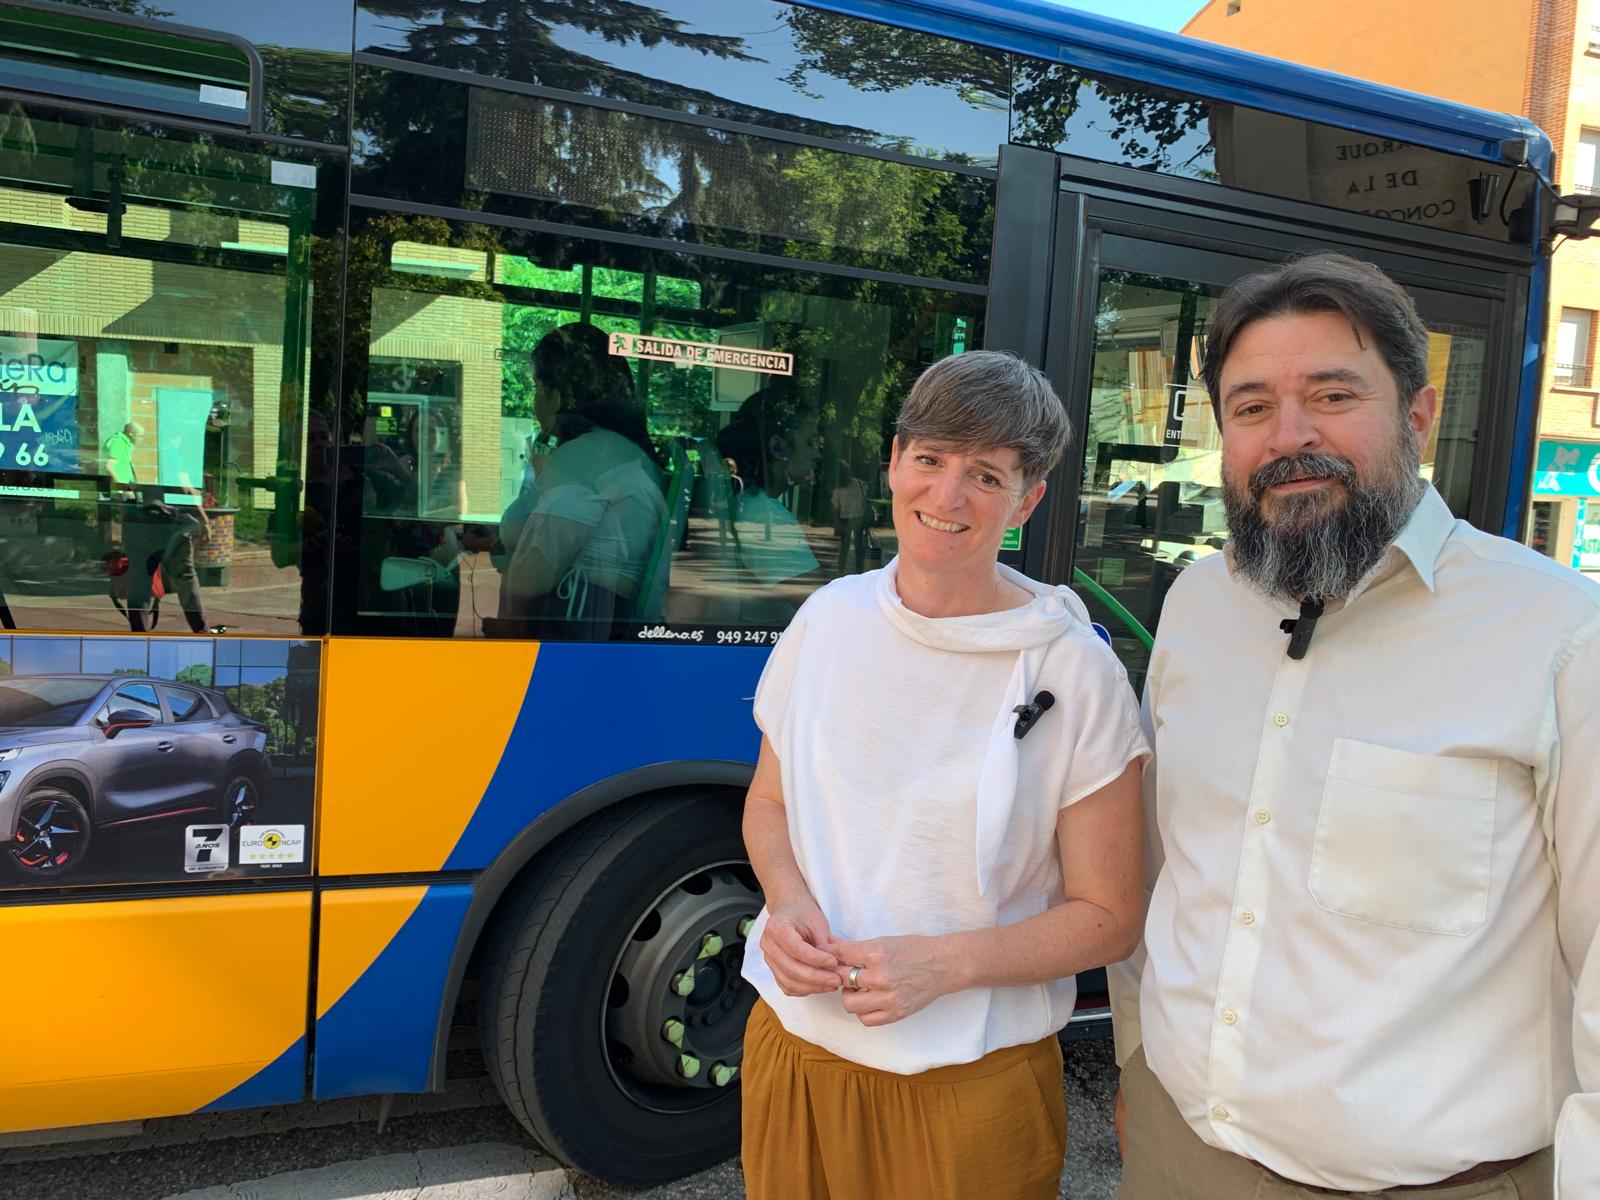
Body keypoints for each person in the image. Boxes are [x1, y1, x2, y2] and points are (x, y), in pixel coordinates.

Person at [1109, 254, 1598, 1199]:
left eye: (1332, 395)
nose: (1290, 437)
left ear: (1417, 417)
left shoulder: (1558, 639)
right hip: (1178, 1156)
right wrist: (1137, 1060)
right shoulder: (1197, 606)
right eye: (1251, 408)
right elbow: (1163, 872)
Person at [740, 350, 1149, 1200]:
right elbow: (769, 803)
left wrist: (947, 966)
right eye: (929, 460)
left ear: (1028, 500)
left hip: (969, 1086)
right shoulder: (829, 617)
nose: (947, 496)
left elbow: (1111, 917)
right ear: (894, 461)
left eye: (986, 475)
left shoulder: (1072, 670)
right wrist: (785, 900)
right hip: (793, 1044)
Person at [495, 322, 665, 639]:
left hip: (570, 638)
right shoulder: (622, 452)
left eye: (537, 386)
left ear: (557, 394)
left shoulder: (585, 456)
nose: (536, 400)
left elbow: (531, 579)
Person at [103, 421, 142, 486]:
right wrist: (124, 488)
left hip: (124, 487)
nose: (141, 439)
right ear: (131, 433)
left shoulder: (125, 444)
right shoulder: (118, 443)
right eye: (140, 436)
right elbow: (109, 467)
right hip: (118, 489)